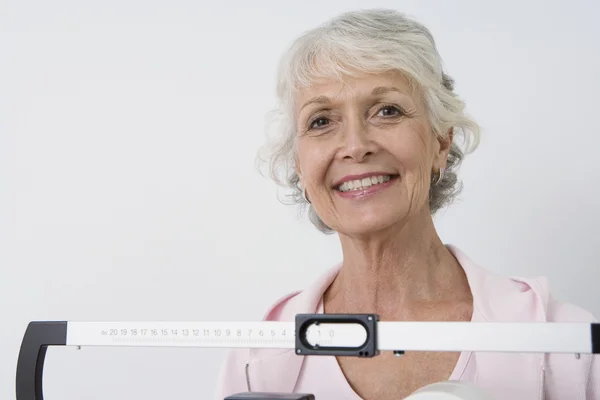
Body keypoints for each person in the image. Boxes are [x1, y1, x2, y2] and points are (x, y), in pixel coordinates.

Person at [214, 8, 599, 400]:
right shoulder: (257, 355)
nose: (355, 146)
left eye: (387, 111)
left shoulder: (565, 345)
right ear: (299, 163)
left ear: (441, 142)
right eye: (321, 121)